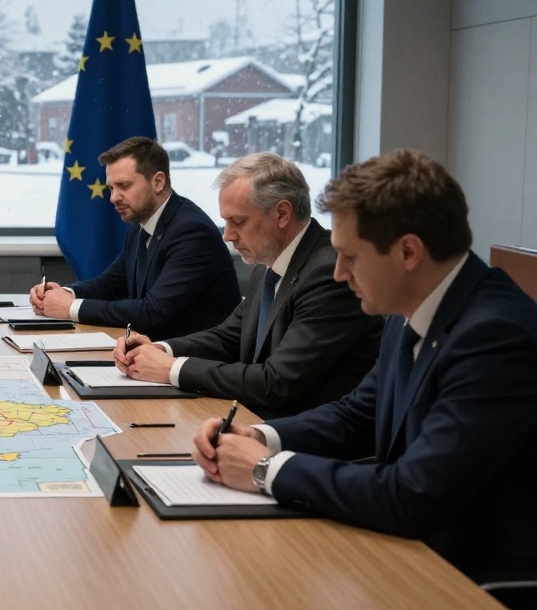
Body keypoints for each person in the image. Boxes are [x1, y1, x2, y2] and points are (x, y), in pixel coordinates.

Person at [192, 149, 537, 583]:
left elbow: (414, 494)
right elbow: (358, 412)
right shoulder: (407, 308)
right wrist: (259, 436)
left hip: (471, 577)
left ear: (408, 252)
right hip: (407, 547)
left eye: (350, 257)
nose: (338, 273)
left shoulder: (495, 337)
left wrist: (265, 469)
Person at [115, 153, 382, 418]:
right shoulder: (269, 265)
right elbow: (228, 337)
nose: (227, 235)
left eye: (238, 221)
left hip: (306, 439)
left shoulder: (328, 275)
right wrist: (158, 349)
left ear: (282, 213)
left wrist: (172, 369)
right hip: (258, 420)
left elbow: (277, 382)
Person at [30, 136, 238, 340]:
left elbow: (153, 312)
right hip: (153, 354)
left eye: (124, 186)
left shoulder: (191, 231)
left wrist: (71, 308)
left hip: (194, 362)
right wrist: (63, 293)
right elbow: (110, 284)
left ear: (158, 182)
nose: (113, 198)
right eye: (111, 188)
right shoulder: (140, 226)